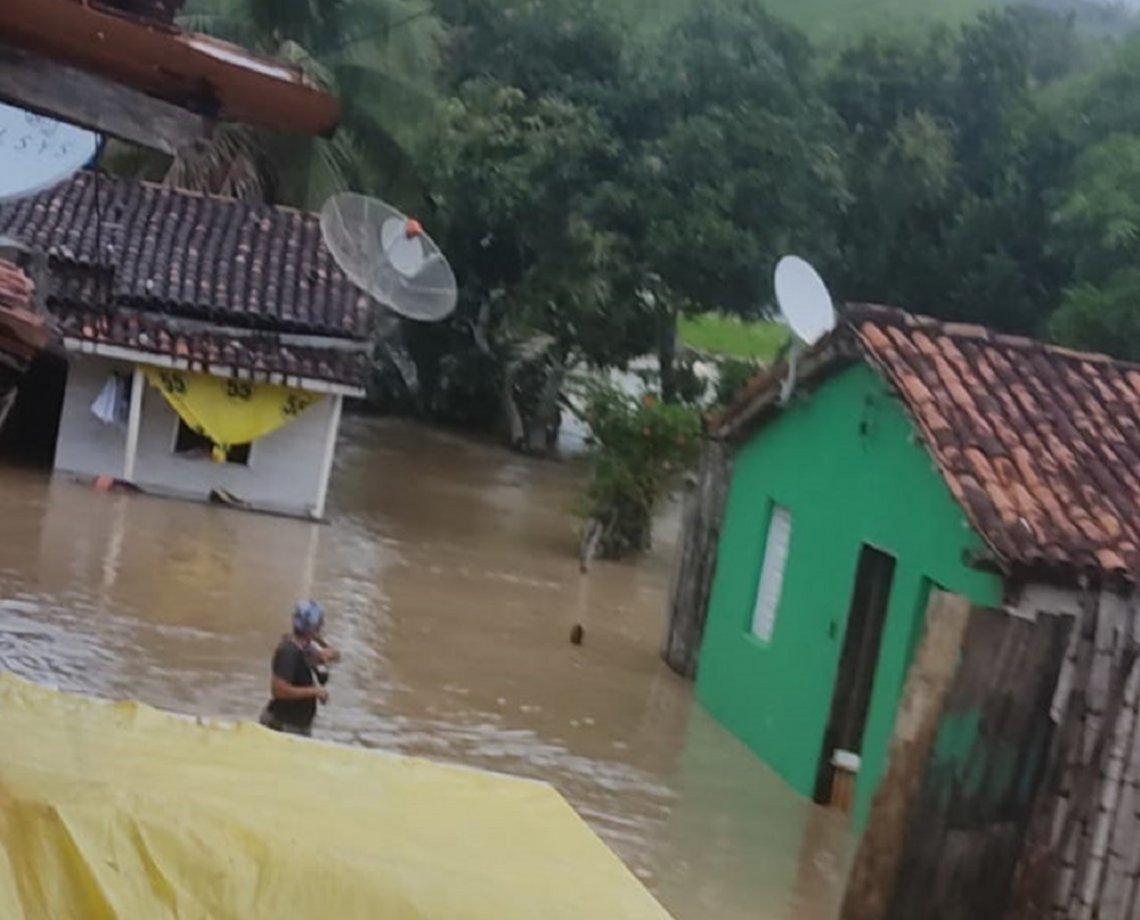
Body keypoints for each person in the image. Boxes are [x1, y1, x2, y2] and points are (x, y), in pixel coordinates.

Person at [259, 600, 339, 736]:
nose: (322, 626)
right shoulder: (288, 651)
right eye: (319, 623)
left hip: (298, 724)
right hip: (283, 725)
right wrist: (314, 691)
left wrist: (328, 654)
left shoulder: (308, 646)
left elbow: (335, 655)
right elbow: (279, 690)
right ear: (312, 627)